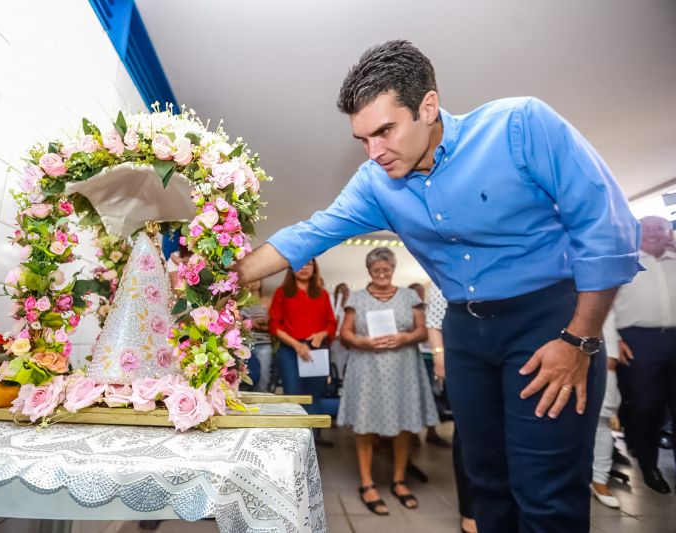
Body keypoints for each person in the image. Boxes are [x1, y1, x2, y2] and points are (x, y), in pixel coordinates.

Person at [235, 40, 640, 532]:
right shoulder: (375, 182)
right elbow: (308, 235)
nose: (374, 152)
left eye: (385, 131)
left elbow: (606, 227)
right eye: (362, 139)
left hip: (550, 323)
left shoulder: (519, 126)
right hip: (465, 332)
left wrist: (580, 339)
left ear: (428, 106)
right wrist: (217, 278)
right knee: (485, 481)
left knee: (546, 492)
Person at [338, 247, 437, 515]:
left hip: (403, 366)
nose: (381, 274)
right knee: (365, 422)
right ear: (368, 271)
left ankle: (399, 480)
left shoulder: (410, 296)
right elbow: (345, 333)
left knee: (403, 421)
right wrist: (362, 342)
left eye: (386, 269)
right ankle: (367, 483)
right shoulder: (357, 298)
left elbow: (422, 331)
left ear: (393, 269)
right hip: (366, 366)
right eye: (376, 270)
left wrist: (405, 337)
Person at [613, 216, 676, 494]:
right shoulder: (623, 262)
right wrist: (614, 340)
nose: (652, 233)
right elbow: (604, 303)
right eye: (646, 228)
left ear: (669, 233)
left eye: (658, 228)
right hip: (637, 340)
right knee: (646, 407)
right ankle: (649, 467)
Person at [425, 282, 477, 533]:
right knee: (468, 434)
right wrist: (439, 355)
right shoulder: (448, 274)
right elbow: (434, 321)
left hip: (515, 357)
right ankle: (470, 510)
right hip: (466, 360)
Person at [268, 259, 337, 444]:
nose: (304, 267)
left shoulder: (322, 294)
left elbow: (331, 323)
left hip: (316, 351)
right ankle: (295, 443)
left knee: (314, 397)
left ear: (315, 268)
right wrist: (296, 345)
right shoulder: (282, 293)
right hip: (290, 351)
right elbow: (274, 325)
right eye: (300, 264)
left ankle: (313, 442)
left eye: (309, 264)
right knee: (294, 397)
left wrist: (322, 334)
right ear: (291, 268)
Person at [409, 281, 451, 449]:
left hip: (434, 357)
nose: (420, 295)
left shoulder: (430, 307)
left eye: (421, 292)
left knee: (435, 394)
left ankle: (432, 432)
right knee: (416, 395)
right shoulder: (407, 311)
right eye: (416, 292)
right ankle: (412, 434)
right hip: (416, 356)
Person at [591, 310, 623, 508]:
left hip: (597, 343)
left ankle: (599, 480)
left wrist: (611, 353)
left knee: (602, 419)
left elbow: (607, 309)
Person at [241, 280, 274, 392]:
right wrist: (251, 323)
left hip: (263, 345)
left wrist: (258, 325)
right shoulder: (241, 300)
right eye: (253, 279)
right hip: (243, 346)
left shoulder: (267, 301)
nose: (255, 282)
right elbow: (235, 323)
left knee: (263, 379)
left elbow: (274, 325)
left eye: (258, 279)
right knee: (242, 378)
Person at [330, 283, 351, 377]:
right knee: (337, 363)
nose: (344, 293)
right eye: (341, 291)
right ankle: (337, 380)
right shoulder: (333, 308)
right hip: (336, 341)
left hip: (348, 342)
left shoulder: (350, 308)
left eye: (346, 290)